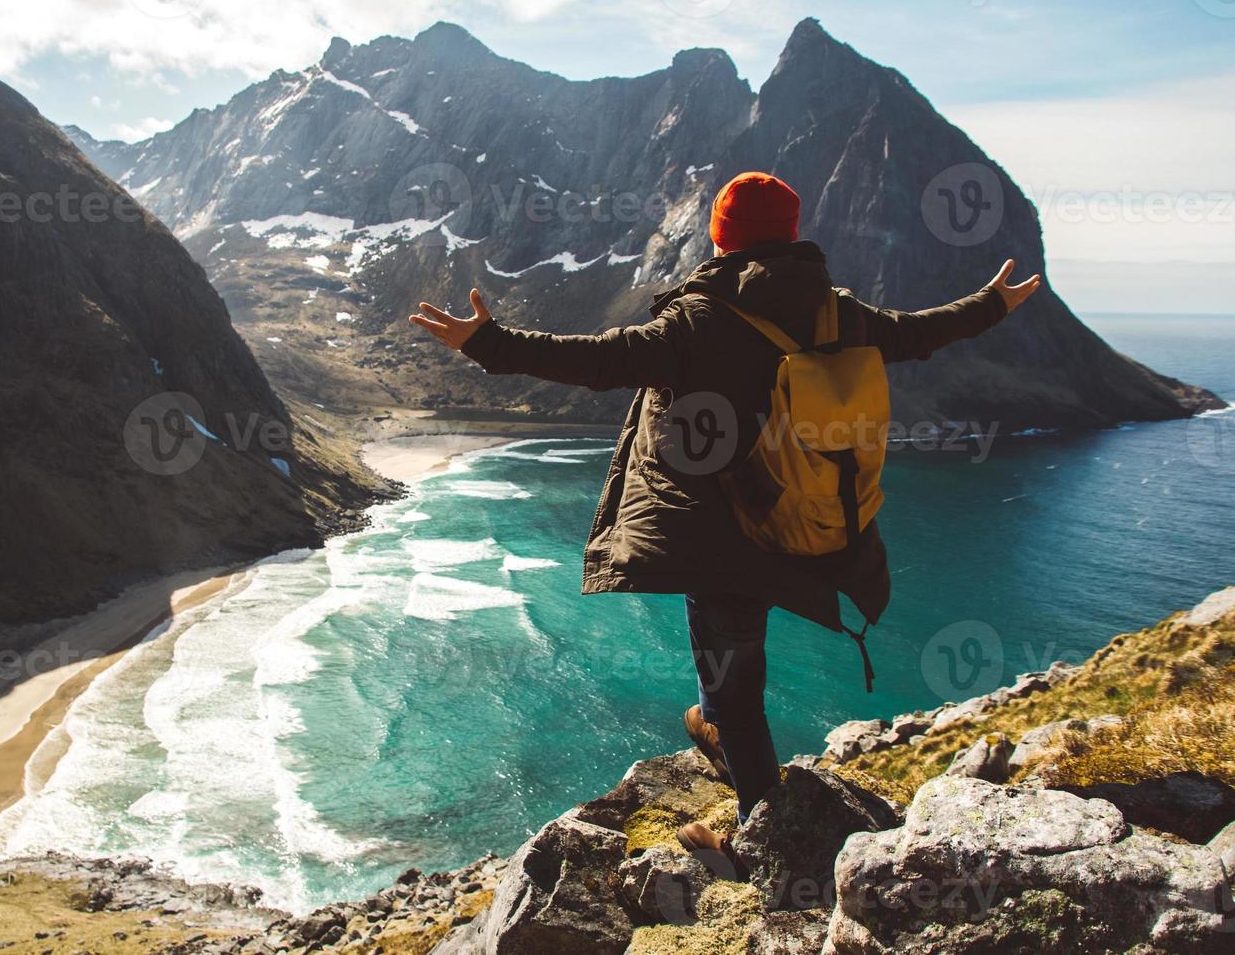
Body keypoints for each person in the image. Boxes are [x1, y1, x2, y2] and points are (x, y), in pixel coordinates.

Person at [409, 171, 1041, 869]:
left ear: (721, 236)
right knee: (736, 676)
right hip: (812, 522)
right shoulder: (841, 313)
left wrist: (487, 342)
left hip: (724, 538)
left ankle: (760, 840)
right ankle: (724, 739)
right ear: (793, 233)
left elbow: (600, 360)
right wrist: (993, 303)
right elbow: (922, 333)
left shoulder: (701, 320)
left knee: (736, 691)